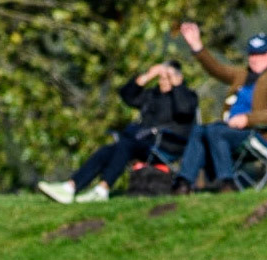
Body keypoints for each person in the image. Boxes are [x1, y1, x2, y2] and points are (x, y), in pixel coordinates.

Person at [36, 62, 198, 204]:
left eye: (167, 78)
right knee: (107, 150)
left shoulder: (187, 97)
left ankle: (103, 188)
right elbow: (127, 95)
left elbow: (184, 110)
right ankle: (70, 187)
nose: (163, 81)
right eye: (161, 78)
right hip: (142, 144)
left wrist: (177, 86)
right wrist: (148, 76)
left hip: (168, 145)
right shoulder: (153, 96)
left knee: (126, 144)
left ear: (178, 78)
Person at [173, 25, 267, 194]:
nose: (255, 59)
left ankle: (226, 183)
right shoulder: (244, 74)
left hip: (262, 136)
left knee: (216, 132)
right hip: (234, 132)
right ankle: (183, 183)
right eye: (252, 54)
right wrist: (197, 47)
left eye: (261, 54)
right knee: (200, 130)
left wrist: (247, 119)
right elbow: (217, 69)